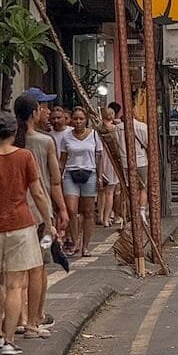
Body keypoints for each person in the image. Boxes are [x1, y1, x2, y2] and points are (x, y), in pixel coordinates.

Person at [0, 110, 56, 355]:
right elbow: (38, 192)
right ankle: (8, 340)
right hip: (21, 226)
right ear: (14, 132)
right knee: (14, 285)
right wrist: (48, 221)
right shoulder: (24, 156)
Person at [13, 94, 67, 340]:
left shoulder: (9, 143)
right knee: (40, 267)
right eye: (41, 107)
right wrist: (61, 211)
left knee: (16, 272)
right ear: (34, 112)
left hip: (14, 218)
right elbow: (54, 183)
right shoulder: (45, 142)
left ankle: (19, 318)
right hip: (41, 219)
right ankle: (35, 319)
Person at [58, 107, 103, 257]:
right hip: (70, 174)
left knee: (88, 211)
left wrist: (100, 176)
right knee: (71, 210)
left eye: (81, 119)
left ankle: (85, 246)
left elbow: (99, 158)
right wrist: (57, 176)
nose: (78, 122)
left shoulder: (95, 136)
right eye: (75, 119)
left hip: (89, 173)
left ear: (86, 120)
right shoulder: (66, 137)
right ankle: (75, 241)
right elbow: (63, 159)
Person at [97, 106, 120, 227]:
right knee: (110, 192)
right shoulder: (114, 129)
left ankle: (100, 215)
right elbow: (118, 146)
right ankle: (106, 218)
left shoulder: (97, 129)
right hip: (111, 160)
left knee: (101, 191)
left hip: (100, 159)